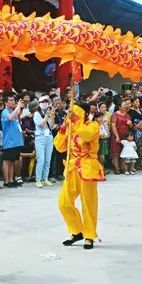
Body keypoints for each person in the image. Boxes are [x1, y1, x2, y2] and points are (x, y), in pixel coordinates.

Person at [54, 103, 104, 249]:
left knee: (88, 204)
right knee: (64, 202)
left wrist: (76, 121)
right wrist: (63, 130)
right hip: (72, 168)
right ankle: (76, 231)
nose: (70, 115)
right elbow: (59, 146)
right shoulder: (71, 127)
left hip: (87, 167)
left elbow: (86, 136)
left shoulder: (93, 125)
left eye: (74, 112)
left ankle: (89, 235)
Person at [0, 94, 25, 188]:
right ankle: (6, 181)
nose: (13, 101)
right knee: (7, 161)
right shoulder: (5, 111)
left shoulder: (14, 111)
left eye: (13, 100)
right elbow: (10, 118)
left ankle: (11, 179)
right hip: (9, 140)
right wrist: (18, 107)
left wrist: (19, 108)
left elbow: (17, 117)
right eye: (10, 100)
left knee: (12, 161)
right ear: (5, 103)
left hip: (16, 141)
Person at [33, 95, 56, 187]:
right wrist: (46, 116)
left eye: (46, 101)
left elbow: (51, 126)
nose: (45, 103)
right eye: (43, 102)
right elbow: (41, 124)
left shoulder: (49, 112)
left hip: (49, 137)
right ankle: (38, 179)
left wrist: (52, 116)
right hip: (40, 137)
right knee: (41, 159)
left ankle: (45, 178)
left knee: (48, 159)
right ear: (39, 104)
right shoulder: (36, 113)